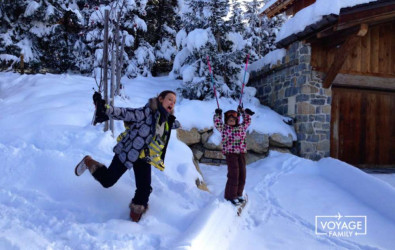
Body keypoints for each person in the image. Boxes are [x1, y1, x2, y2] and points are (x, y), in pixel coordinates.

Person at [75, 90, 180, 222]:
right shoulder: (146, 112)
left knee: (144, 189)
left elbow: (177, 125)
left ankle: (134, 220)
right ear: (160, 99)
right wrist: (106, 109)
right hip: (128, 151)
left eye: (174, 102)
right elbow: (126, 113)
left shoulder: (167, 121)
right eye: (170, 99)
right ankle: (88, 161)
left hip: (143, 157)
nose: (172, 103)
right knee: (108, 181)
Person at [213, 105, 254, 205]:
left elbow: (247, 121)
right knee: (234, 174)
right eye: (229, 120)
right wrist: (217, 115)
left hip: (241, 153)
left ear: (236, 120)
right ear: (226, 121)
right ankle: (230, 195)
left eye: (233, 120)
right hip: (231, 154)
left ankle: (239, 194)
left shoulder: (241, 127)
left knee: (242, 174)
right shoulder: (224, 128)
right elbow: (217, 123)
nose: (231, 121)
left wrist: (244, 112)